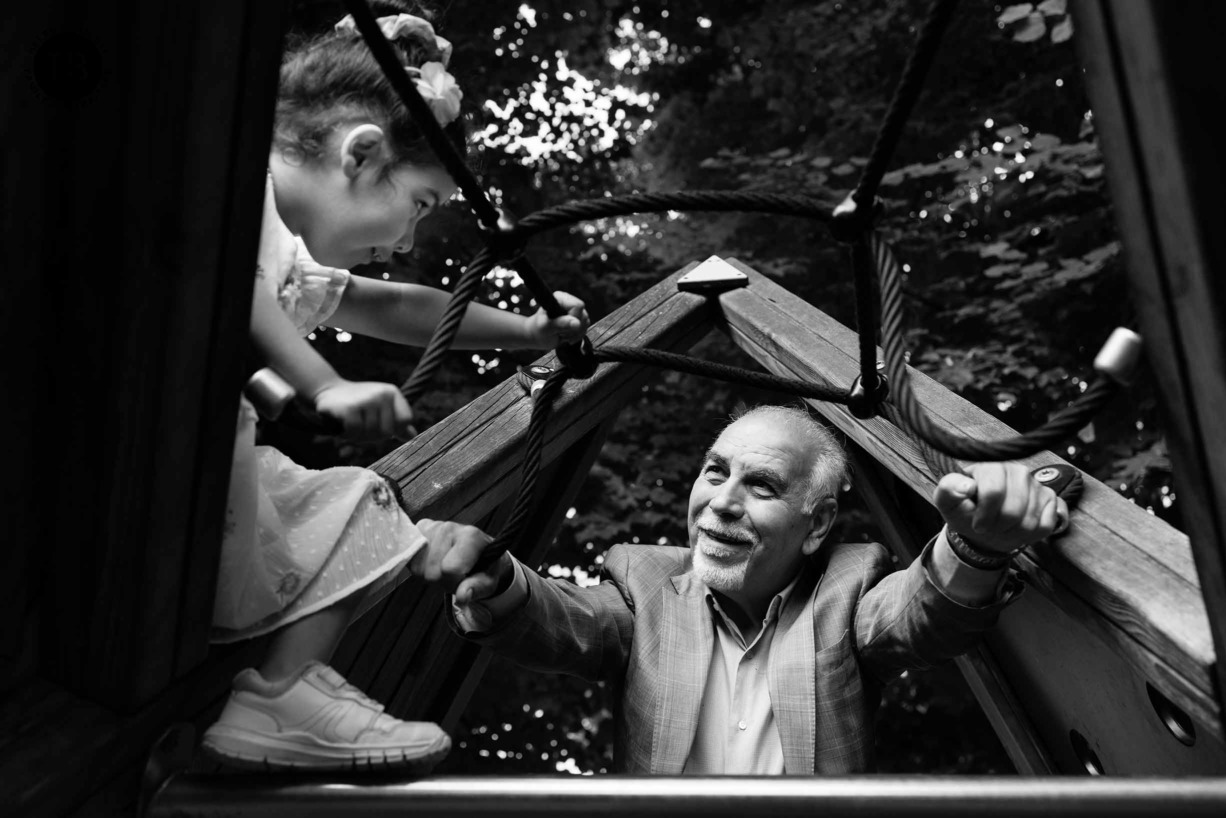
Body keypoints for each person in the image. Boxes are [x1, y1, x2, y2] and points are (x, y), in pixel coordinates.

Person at [201, 2, 589, 772]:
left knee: (368, 502)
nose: (409, 240)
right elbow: (229, 289)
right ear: (361, 152)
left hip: (215, 495)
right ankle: (284, 694)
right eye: (419, 205)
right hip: (158, 467)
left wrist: (525, 332)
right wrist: (323, 384)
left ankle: (282, 693)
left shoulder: (293, 256)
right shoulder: (226, 191)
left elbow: (397, 306)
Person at [411, 403, 1067, 774]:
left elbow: (917, 614)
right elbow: (558, 619)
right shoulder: (647, 588)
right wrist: (494, 577)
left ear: (816, 527)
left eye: (762, 485)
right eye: (715, 472)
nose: (719, 505)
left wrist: (976, 545)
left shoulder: (846, 588)